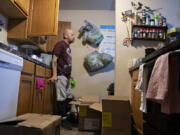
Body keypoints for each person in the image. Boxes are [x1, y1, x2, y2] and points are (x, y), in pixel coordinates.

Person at [49, 29, 75, 130]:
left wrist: (70, 75)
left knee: (69, 97)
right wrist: (55, 74)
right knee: (61, 98)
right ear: (66, 36)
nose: (74, 36)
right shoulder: (60, 44)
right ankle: (63, 120)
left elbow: (66, 62)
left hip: (67, 76)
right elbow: (54, 59)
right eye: (72, 34)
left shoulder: (68, 47)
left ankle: (66, 116)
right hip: (60, 75)